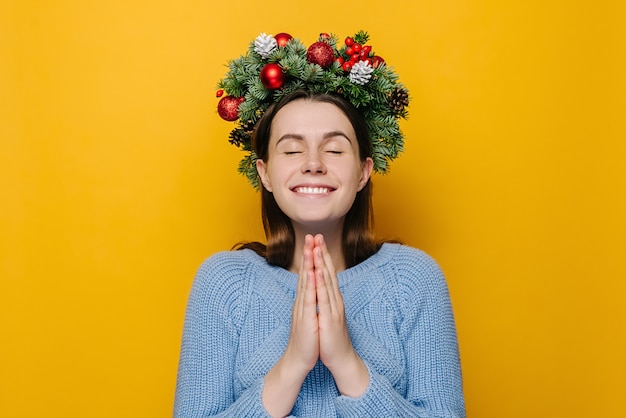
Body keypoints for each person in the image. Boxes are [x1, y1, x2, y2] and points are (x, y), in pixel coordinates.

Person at [174, 32, 465, 417]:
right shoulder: (224, 284)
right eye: (292, 149)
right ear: (265, 173)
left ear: (363, 172)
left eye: (334, 148)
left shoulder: (413, 280)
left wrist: (347, 362)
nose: (313, 162)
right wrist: (292, 365)